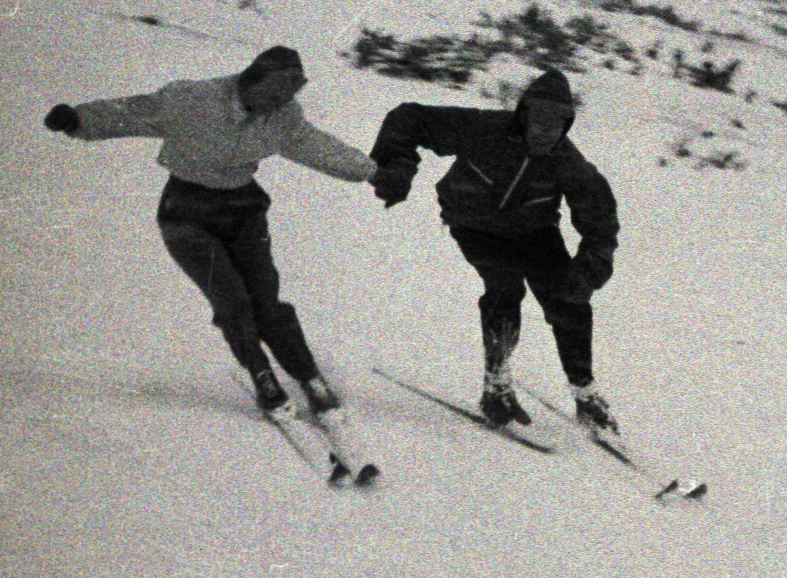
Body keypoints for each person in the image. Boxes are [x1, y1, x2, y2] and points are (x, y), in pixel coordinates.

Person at [42, 46, 376, 416]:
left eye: (287, 96)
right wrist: (77, 120)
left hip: (245, 211)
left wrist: (370, 171)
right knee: (231, 299)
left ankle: (308, 375)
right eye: (273, 93)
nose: (277, 103)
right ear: (253, 79)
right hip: (187, 214)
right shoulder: (193, 99)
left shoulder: (283, 117)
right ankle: (261, 372)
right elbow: (133, 113)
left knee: (265, 298)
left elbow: (317, 145)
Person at [368, 69, 621, 432]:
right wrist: (398, 165)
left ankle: (585, 391)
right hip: (474, 224)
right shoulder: (483, 129)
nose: (545, 130)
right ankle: (496, 384)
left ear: (567, 125)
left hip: (534, 229)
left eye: (557, 123)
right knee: (505, 289)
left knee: (568, 299)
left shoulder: (570, 164)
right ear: (523, 113)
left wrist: (587, 272)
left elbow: (601, 224)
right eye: (539, 118)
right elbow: (408, 118)